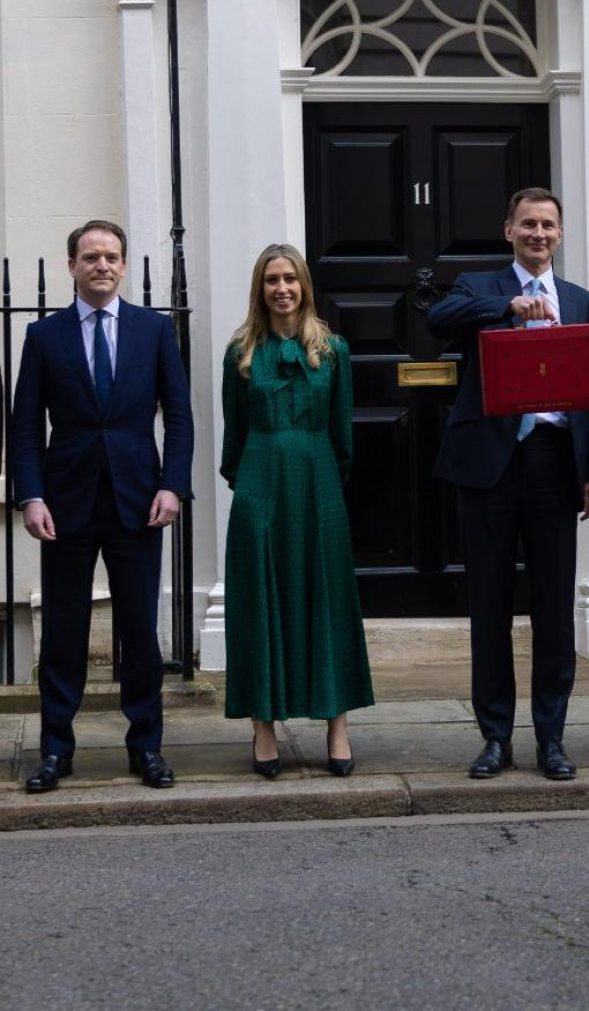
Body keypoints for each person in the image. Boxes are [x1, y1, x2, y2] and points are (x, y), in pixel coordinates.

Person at [426, 188, 589, 781]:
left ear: (560, 234)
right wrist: (508, 309)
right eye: (528, 224)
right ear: (508, 230)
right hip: (490, 464)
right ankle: (495, 736)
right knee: (490, 607)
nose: (538, 234)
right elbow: (437, 322)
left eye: (548, 226)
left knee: (554, 609)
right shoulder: (478, 288)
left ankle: (552, 738)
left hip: (556, 463)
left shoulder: (584, 301)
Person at [11, 220, 194, 793]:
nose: (103, 266)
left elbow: (180, 415)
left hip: (139, 502)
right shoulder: (44, 337)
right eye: (90, 257)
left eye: (112, 256)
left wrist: (173, 485)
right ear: (71, 266)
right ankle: (54, 751)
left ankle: (146, 748)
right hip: (64, 504)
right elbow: (23, 427)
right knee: (64, 632)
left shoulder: (152, 330)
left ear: (122, 264)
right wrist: (30, 494)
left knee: (141, 629)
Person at [221, 243, 373, 779]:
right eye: (271, 280)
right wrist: (250, 485)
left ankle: (337, 726)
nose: (281, 288)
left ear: (304, 285)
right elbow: (233, 435)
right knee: (261, 598)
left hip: (319, 479)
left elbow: (342, 434)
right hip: (259, 479)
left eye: (290, 278)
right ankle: (264, 727)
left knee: (326, 597)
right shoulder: (241, 352)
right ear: (259, 289)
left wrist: (323, 479)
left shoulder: (333, 350)